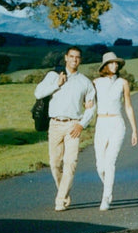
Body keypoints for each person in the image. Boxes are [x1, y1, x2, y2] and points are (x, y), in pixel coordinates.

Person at [34, 46, 95, 211]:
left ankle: (60, 200)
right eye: (72, 56)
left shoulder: (85, 82)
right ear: (66, 58)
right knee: (54, 163)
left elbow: (91, 107)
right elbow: (38, 93)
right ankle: (64, 191)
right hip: (54, 124)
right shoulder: (53, 75)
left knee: (71, 162)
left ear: (80, 60)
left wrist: (82, 124)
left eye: (78, 57)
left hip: (73, 125)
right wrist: (56, 84)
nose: (74, 60)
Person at [92, 51, 138, 211]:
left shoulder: (123, 83)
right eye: (112, 63)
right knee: (100, 166)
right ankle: (108, 188)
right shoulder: (96, 82)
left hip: (117, 123)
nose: (115, 65)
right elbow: (89, 103)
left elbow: (128, 106)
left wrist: (134, 130)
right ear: (105, 66)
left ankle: (106, 198)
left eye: (116, 63)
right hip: (101, 123)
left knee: (110, 162)